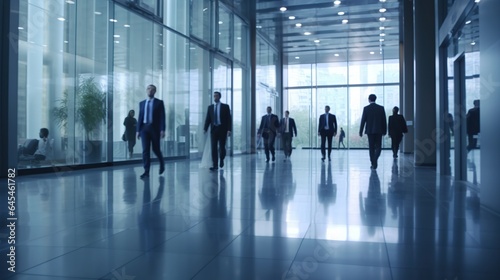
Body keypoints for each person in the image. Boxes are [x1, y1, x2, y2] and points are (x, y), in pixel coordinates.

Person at [136, 84, 166, 179]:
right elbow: (140, 117)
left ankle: (161, 163)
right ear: (146, 90)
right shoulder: (142, 103)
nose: (150, 91)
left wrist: (162, 129)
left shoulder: (159, 103)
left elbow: (162, 117)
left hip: (155, 129)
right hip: (144, 129)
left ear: (155, 92)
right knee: (145, 150)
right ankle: (146, 171)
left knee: (155, 149)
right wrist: (138, 130)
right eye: (148, 89)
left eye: (152, 89)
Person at [203, 91, 232, 171]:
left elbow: (229, 119)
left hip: (222, 129)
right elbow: (208, 119)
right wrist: (205, 128)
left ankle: (222, 158)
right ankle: (215, 165)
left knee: (222, 147)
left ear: (219, 97)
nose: (215, 97)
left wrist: (229, 130)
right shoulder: (210, 107)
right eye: (214, 96)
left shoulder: (225, 107)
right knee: (213, 148)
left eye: (216, 96)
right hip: (214, 130)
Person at [359, 94, 387, 170]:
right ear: (375, 99)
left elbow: (363, 121)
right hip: (379, 131)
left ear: (369, 99)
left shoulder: (366, 108)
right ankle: (374, 161)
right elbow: (384, 120)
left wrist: (360, 131)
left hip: (370, 131)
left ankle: (373, 162)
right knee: (378, 147)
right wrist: (385, 130)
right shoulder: (381, 108)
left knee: (371, 147)